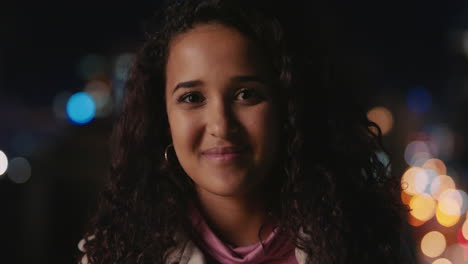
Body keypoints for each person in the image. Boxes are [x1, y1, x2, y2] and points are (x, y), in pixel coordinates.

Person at [78, 0, 414, 263]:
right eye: (192, 98)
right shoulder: (115, 255)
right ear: (162, 117)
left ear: (287, 106)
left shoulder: (366, 245)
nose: (221, 125)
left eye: (246, 95)